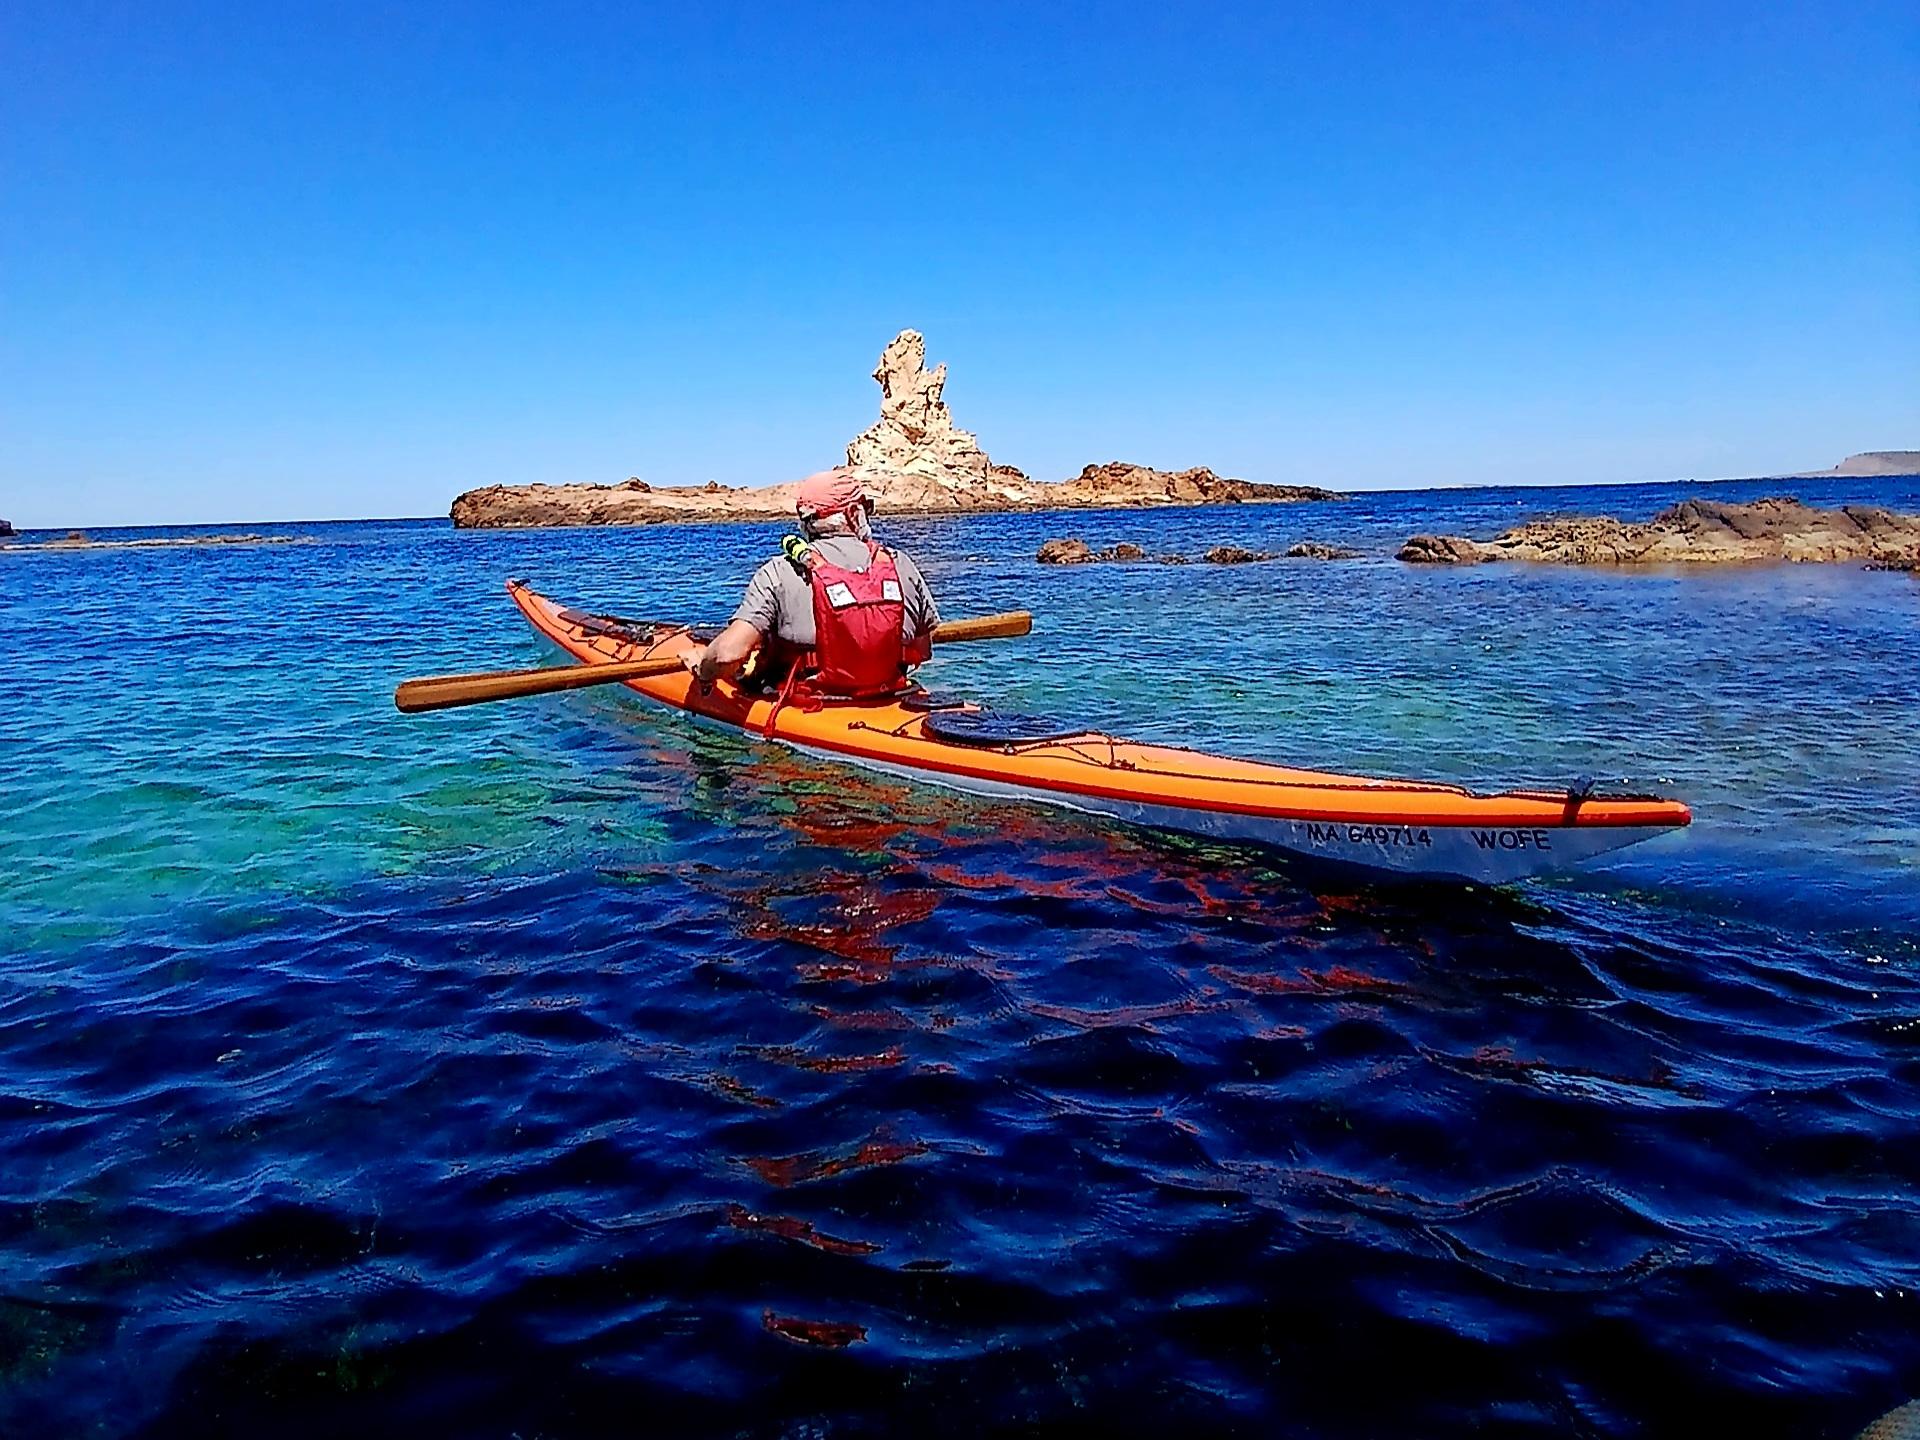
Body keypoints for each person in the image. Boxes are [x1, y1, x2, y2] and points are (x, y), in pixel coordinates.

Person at [681, 467, 940, 698]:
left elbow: (727, 655)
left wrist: (703, 669)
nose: (868, 514)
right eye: (867, 508)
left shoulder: (779, 572)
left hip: (812, 703)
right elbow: (922, 651)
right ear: (853, 513)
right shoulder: (899, 563)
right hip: (890, 695)